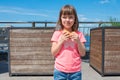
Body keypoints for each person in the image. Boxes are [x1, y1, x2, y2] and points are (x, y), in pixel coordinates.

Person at [51, 4, 86, 80]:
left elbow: (83, 53)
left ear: (74, 19)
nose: (67, 20)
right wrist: (61, 41)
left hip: (76, 72)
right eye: (64, 17)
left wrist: (78, 42)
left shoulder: (79, 35)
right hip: (59, 71)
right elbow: (53, 53)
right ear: (60, 19)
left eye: (70, 17)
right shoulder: (56, 34)